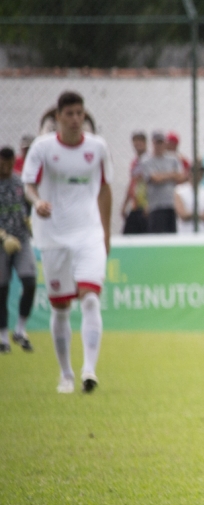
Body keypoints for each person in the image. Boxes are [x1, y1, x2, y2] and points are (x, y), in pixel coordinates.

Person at [22, 91, 114, 393]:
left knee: (90, 298)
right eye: (70, 114)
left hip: (89, 234)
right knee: (60, 308)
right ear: (58, 116)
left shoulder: (98, 148)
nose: (76, 120)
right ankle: (66, 374)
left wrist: (106, 233)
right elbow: (29, 184)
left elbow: (104, 190)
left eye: (80, 114)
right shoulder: (43, 148)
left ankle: (89, 370)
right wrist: (37, 203)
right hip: (53, 235)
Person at [1, 146, 37, 353]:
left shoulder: (19, 182)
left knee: (30, 282)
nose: (5, 168)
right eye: (2, 164)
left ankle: (20, 330)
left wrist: (29, 221)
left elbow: (26, 206)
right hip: (1, 244)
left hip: (21, 241)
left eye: (8, 164)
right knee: (2, 290)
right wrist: (3, 237)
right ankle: (2, 336)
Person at [134, 128, 186, 233]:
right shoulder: (146, 160)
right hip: (156, 205)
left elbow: (181, 177)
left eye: (161, 142)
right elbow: (154, 179)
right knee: (157, 233)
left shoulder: (173, 159)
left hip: (172, 204)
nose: (159, 145)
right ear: (153, 143)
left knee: (172, 235)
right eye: (157, 142)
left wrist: (162, 176)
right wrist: (172, 175)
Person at [121, 131, 150, 234]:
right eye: (135, 143)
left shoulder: (149, 160)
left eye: (140, 142)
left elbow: (150, 183)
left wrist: (149, 203)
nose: (137, 145)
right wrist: (125, 204)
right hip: (135, 205)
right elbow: (132, 183)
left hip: (145, 205)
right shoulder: (135, 162)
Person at [175, 165, 204, 234]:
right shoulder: (179, 190)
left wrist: (191, 215)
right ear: (189, 174)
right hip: (185, 233)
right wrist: (201, 215)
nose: (197, 176)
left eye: (200, 174)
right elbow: (182, 214)